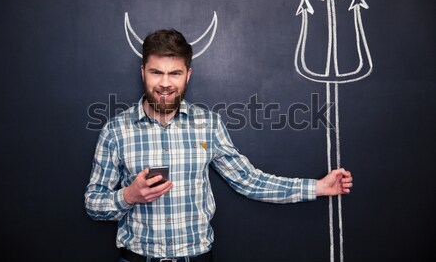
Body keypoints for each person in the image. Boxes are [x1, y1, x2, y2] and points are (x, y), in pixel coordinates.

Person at [84, 29, 353, 262]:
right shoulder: (116, 130)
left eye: (175, 73)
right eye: (156, 72)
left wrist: (318, 187)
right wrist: (129, 195)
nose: (165, 83)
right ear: (143, 72)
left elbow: (249, 180)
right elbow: (93, 204)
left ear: (187, 75)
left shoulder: (208, 125)